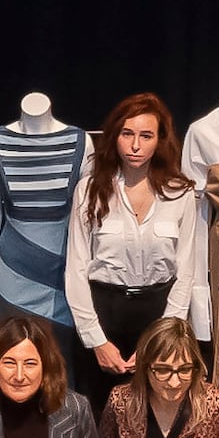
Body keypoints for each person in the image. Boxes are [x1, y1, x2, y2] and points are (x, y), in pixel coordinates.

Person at [67, 93, 202, 381]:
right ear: (115, 136)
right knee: (102, 415)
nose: (136, 145)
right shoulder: (88, 190)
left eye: (146, 135)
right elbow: (76, 269)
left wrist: (167, 335)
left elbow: (186, 269)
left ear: (160, 140)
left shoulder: (180, 192)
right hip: (104, 312)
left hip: (158, 311)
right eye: (127, 134)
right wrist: (96, 340)